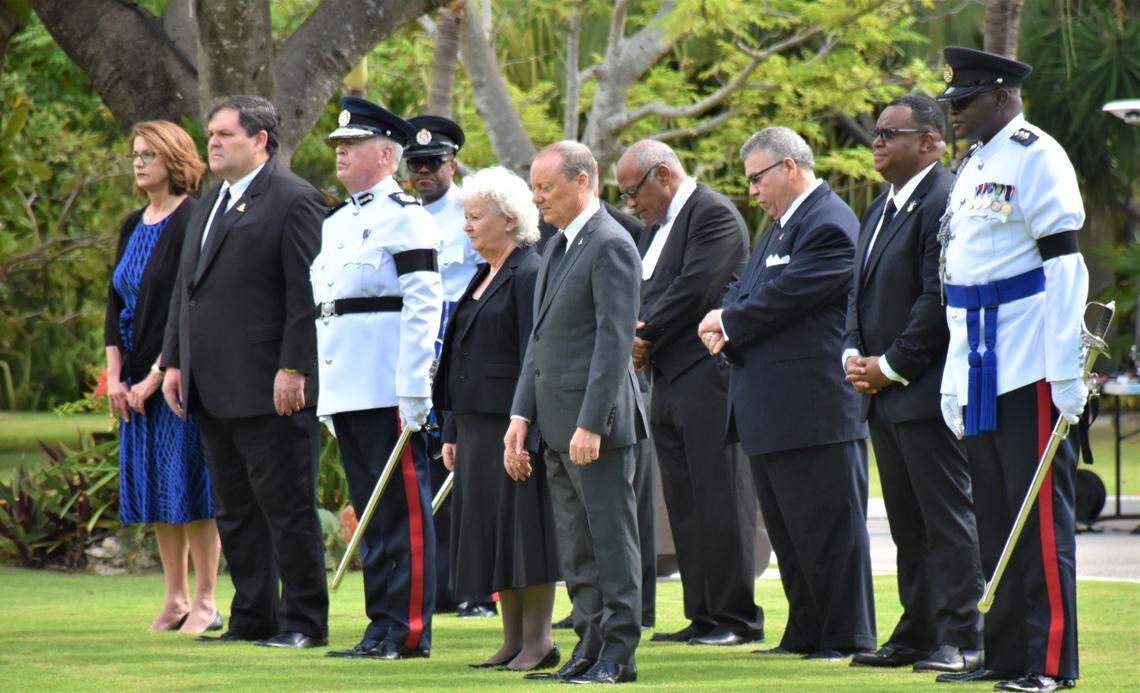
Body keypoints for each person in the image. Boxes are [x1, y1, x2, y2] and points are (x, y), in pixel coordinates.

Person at [934, 47, 1088, 693]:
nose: (955, 114)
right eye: (951, 102)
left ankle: (1048, 662)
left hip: (1030, 361)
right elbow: (958, 278)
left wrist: (1067, 366)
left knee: (1039, 520)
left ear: (1002, 95)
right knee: (995, 515)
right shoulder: (973, 166)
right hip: (977, 361)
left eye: (964, 101)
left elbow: (1063, 269)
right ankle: (1004, 654)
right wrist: (950, 372)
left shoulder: (1037, 156)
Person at [698, 127, 876, 660]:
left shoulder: (829, 223)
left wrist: (726, 320)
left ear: (790, 168)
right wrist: (723, 316)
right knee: (791, 533)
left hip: (814, 407)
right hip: (771, 407)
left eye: (757, 177)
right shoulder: (780, 226)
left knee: (829, 530)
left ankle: (846, 634)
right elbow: (745, 286)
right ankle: (805, 631)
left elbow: (788, 296)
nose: (751, 190)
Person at [160, 95, 329, 649]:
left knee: (288, 507)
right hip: (212, 385)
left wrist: (294, 366)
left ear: (260, 140)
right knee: (235, 513)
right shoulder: (208, 205)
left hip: (272, 386)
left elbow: (307, 294)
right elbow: (187, 293)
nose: (212, 142)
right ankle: (253, 617)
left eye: (225, 134)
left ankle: (304, 622)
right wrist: (175, 362)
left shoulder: (294, 199)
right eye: (210, 133)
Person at [842, 95, 984, 673]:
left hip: (925, 389)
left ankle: (965, 636)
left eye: (889, 133)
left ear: (929, 141)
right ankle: (918, 631)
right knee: (908, 524)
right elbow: (857, 295)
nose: (877, 141)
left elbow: (937, 298)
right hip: (883, 394)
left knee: (946, 520)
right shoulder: (878, 211)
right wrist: (855, 353)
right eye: (875, 132)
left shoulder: (945, 200)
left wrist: (891, 364)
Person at [504, 141, 645, 685]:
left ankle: (618, 655)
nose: (537, 198)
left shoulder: (610, 244)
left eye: (546, 187)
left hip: (595, 427)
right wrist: (520, 417)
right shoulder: (559, 246)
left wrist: (592, 421)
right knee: (578, 549)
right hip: (554, 425)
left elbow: (613, 345)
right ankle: (587, 647)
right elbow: (539, 343)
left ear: (583, 181)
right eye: (535, 187)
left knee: (611, 542)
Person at [615, 140, 762, 647]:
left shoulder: (712, 214)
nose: (632, 205)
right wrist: (639, 334)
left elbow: (697, 286)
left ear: (662, 175)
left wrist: (643, 333)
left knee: (720, 494)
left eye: (634, 192)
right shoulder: (657, 228)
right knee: (685, 501)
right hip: (668, 378)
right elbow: (646, 288)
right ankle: (703, 613)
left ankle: (737, 618)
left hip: (708, 375)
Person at [311, 97, 442, 661]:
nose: (340, 154)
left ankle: (407, 630)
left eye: (352, 145)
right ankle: (379, 626)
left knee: (401, 513)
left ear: (387, 154)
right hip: (349, 388)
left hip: (388, 387)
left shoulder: (406, 216)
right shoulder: (338, 222)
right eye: (338, 146)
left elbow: (422, 305)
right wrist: (327, 394)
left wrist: (414, 387)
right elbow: (329, 313)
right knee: (371, 514)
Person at [433, 166, 561, 671]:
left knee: (525, 532)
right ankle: (511, 641)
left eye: (476, 216)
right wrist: (451, 428)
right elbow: (460, 358)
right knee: (494, 534)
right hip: (476, 425)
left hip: (515, 424)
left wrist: (523, 422)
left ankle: (539, 641)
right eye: (465, 217)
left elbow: (536, 355)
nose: (467, 226)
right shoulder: (481, 276)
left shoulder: (529, 272)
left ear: (509, 220)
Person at [105, 120, 221, 635]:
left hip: (175, 379)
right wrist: (115, 377)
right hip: (131, 382)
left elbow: (185, 306)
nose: (139, 162)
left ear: (174, 159)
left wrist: (156, 374)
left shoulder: (192, 218)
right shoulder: (133, 223)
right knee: (155, 490)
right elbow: (115, 303)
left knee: (191, 490)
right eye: (135, 153)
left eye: (149, 153)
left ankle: (206, 600)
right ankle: (173, 598)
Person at [404, 114, 496, 619]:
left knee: (465, 471)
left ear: (452, 164)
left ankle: (475, 590)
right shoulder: (400, 215)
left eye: (432, 162)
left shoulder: (469, 211)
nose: (422, 172)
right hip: (419, 359)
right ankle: (436, 587)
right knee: (426, 469)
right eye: (414, 163)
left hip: (463, 353)